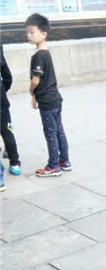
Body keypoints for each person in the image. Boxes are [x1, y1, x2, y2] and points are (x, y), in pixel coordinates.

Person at [25, 13, 71, 177]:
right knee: (59, 130)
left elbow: (36, 80)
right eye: (27, 32)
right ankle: (64, 161)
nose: (28, 35)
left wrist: (31, 92)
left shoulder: (38, 56)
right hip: (55, 98)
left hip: (46, 101)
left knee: (50, 133)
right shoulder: (46, 52)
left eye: (32, 32)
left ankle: (53, 166)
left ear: (44, 34)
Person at [1, 44, 21, 176]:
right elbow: (8, 77)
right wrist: (3, 89)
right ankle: (15, 163)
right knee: (7, 132)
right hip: (1, 100)